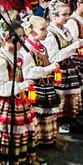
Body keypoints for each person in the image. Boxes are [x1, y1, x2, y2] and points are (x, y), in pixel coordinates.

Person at [0, 21, 42, 165]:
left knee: (14, 138)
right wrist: (22, 85)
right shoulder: (0, 61)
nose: (21, 41)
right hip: (5, 103)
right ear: (6, 39)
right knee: (5, 139)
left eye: (22, 37)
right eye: (17, 38)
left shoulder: (16, 57)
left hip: (18, 101)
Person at [22, 16, 63, 149]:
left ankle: (48, 139)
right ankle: (34, 145)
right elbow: (28, 72)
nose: (46, 32)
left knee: (47, 114)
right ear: (31, 31)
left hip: (45, 85)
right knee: (36, 116)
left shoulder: (41, 46)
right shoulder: (27, 49)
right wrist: (49, 68)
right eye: (42, 29)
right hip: (36, 88)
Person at [44, 0, 83, 132]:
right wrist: (73, 47)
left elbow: (75, 43)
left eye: (68, 14)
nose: (67, 17)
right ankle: (59, 122)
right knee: (59, 96)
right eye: (64, 15)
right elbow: (54, 56)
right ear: (54, 16)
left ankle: (68, 120)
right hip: (58, 69)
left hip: (69, 67)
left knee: (68, 96)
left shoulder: (65, 30)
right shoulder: (50, 33)